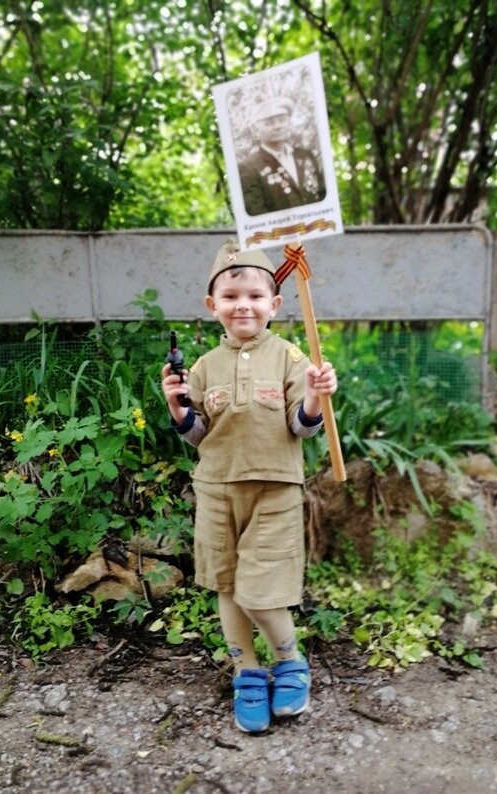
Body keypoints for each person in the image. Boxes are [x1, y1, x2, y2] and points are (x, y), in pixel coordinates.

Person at [161, 240, 337, 733]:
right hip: (216, 489)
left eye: (256, 296)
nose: (244, 304)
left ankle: (290, 660)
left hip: (275, 490)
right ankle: (247, 673)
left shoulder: (291, 358)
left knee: (260, 593)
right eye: (232, 295)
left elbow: (301, 426)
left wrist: (315, 398)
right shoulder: (200, 368)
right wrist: (178, 408)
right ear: (212, 305)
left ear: (275, 305)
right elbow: (198, 434)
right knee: (227, 588)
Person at [237, 95, 326, 216]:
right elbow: (256, 213)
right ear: (256, 129)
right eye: (269, 123)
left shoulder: (305, 156)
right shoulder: (249, 167)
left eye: (282, 120)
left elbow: (323, 195)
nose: (278, 126)